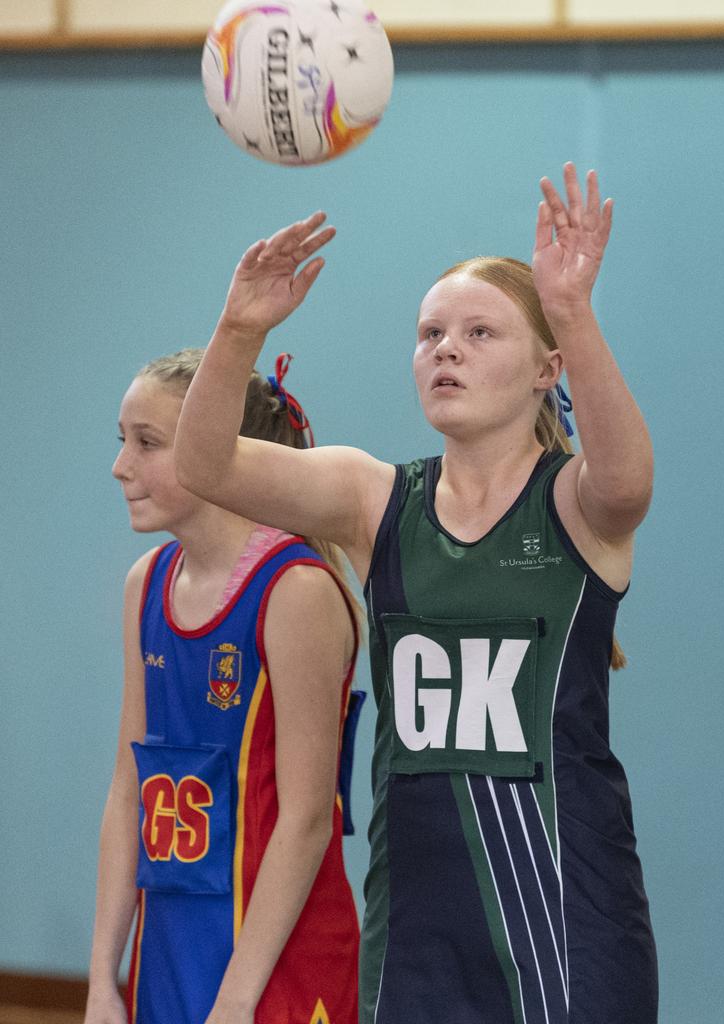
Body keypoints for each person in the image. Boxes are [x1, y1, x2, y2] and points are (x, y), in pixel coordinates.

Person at [173, 164, 658, 1024]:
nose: (447, 350)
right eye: (431, 333)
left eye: (479, 333)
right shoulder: (374, 497)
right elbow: (205, 465)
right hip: (417, 927)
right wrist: (238, 329)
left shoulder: (575, 503)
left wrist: (574, 311)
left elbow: (628, 483)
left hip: (566, 922)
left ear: (548, 368)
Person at [84, 349, 360, 1024]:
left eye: (147, 443)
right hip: (173, 947)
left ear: (216, 448)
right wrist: (100, 982)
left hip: (277, 962)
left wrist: (236, 1002)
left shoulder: (294, 591)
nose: (121, 466)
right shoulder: (145, 584)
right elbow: (129, 788)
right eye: (123, 440)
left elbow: (304, 822)